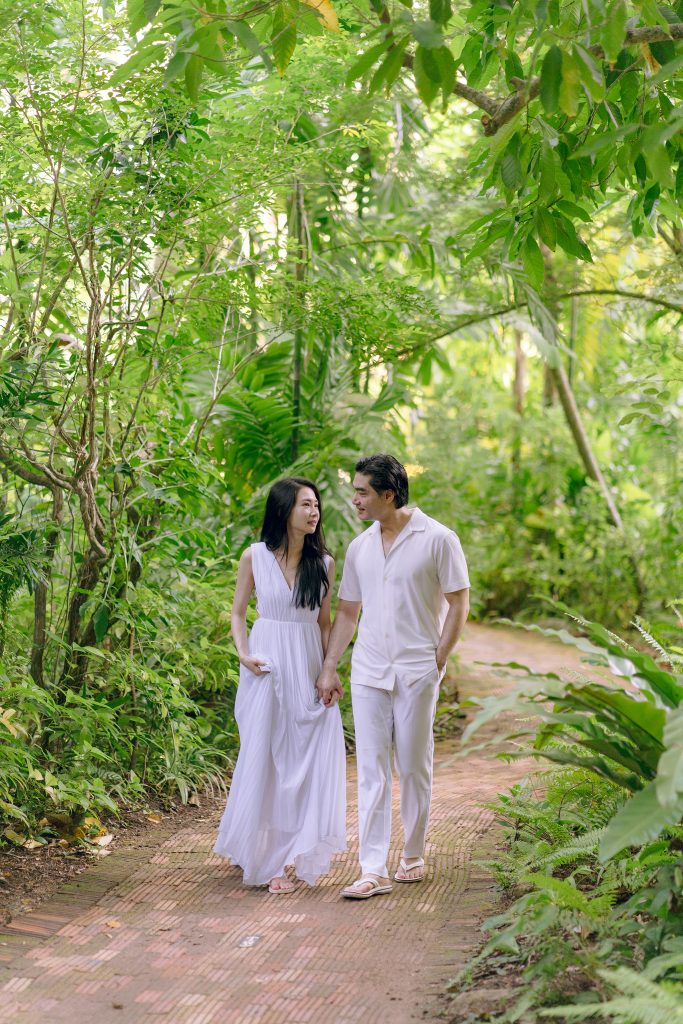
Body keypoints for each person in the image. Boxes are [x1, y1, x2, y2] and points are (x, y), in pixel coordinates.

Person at [315, 454, 470, 899]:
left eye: (363, 491)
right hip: (368, 670)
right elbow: (347, 611)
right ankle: (372, 867)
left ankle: (414, 854)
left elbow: (458, 603)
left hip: (417, 669)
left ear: (388, 494)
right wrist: (330, 664)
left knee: (414, 764)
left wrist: (438, 658)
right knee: (371, 769)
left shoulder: (439, 539)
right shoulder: (360, 547)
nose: (355, 499)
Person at [214, 477, 346, 893]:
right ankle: (265, 858)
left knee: (304, 762)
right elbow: (237, 613)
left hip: (307, 665)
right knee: (266, 758)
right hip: (265, 666)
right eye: (306, 504)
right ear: (285, 508)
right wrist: (242, 652)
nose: (314, 512)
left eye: (317, 506)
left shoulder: (323, 563)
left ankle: (288, 856)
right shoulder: (253, 556)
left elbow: (324, 622)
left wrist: (330, 669)